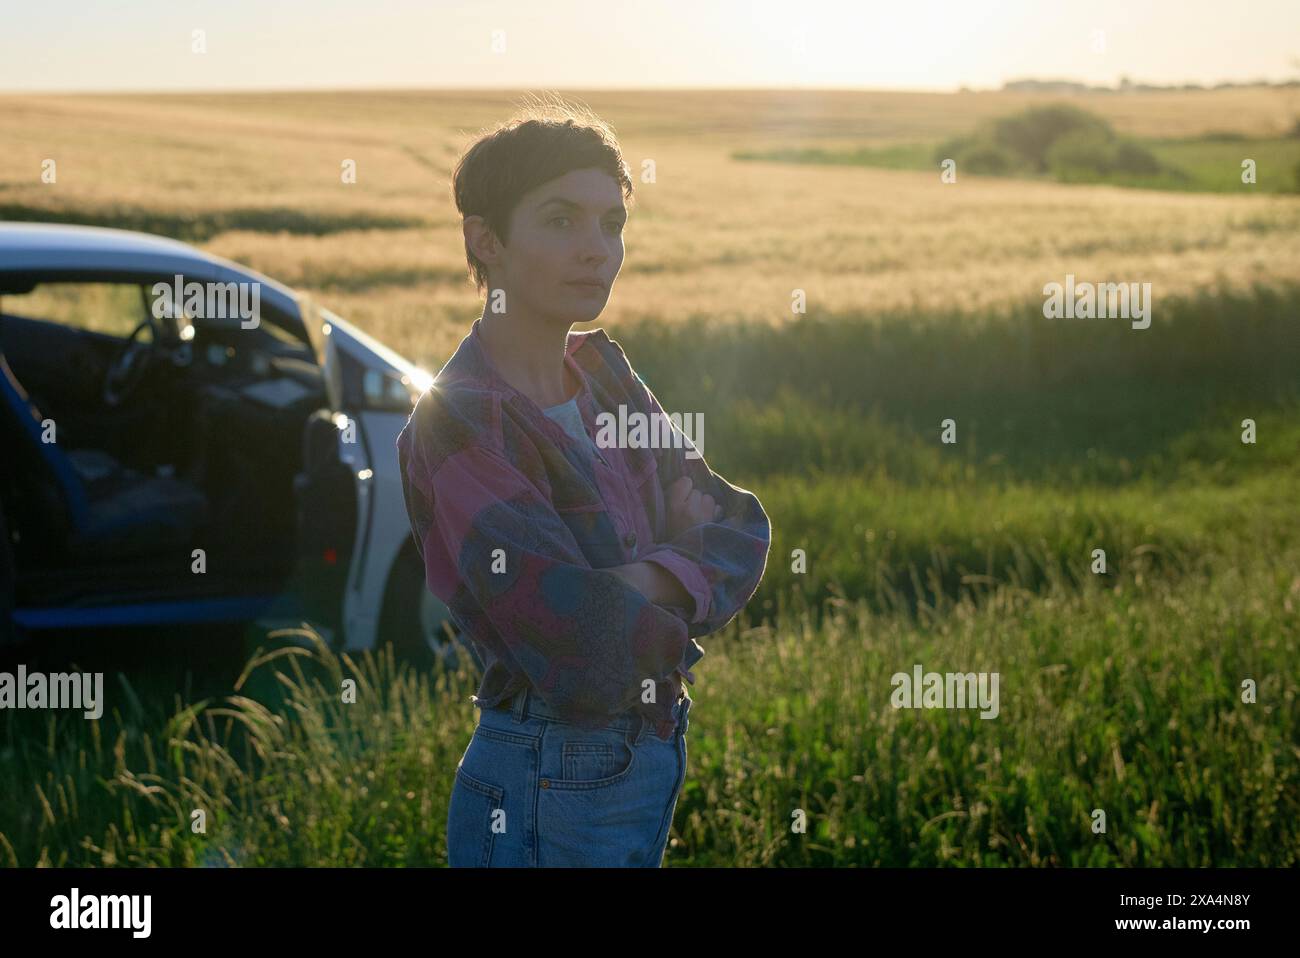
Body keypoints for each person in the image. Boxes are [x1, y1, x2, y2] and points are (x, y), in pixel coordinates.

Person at [395, 95, 771, 867]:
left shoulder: (607, 382)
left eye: (612, 224)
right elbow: (577, 639)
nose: (596, 248)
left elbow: (741, 529)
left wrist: (624, 581)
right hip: (542, 775)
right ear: (486, 240)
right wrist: (677, 581)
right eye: (562, 220)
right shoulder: (459, 423)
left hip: (641, 761)